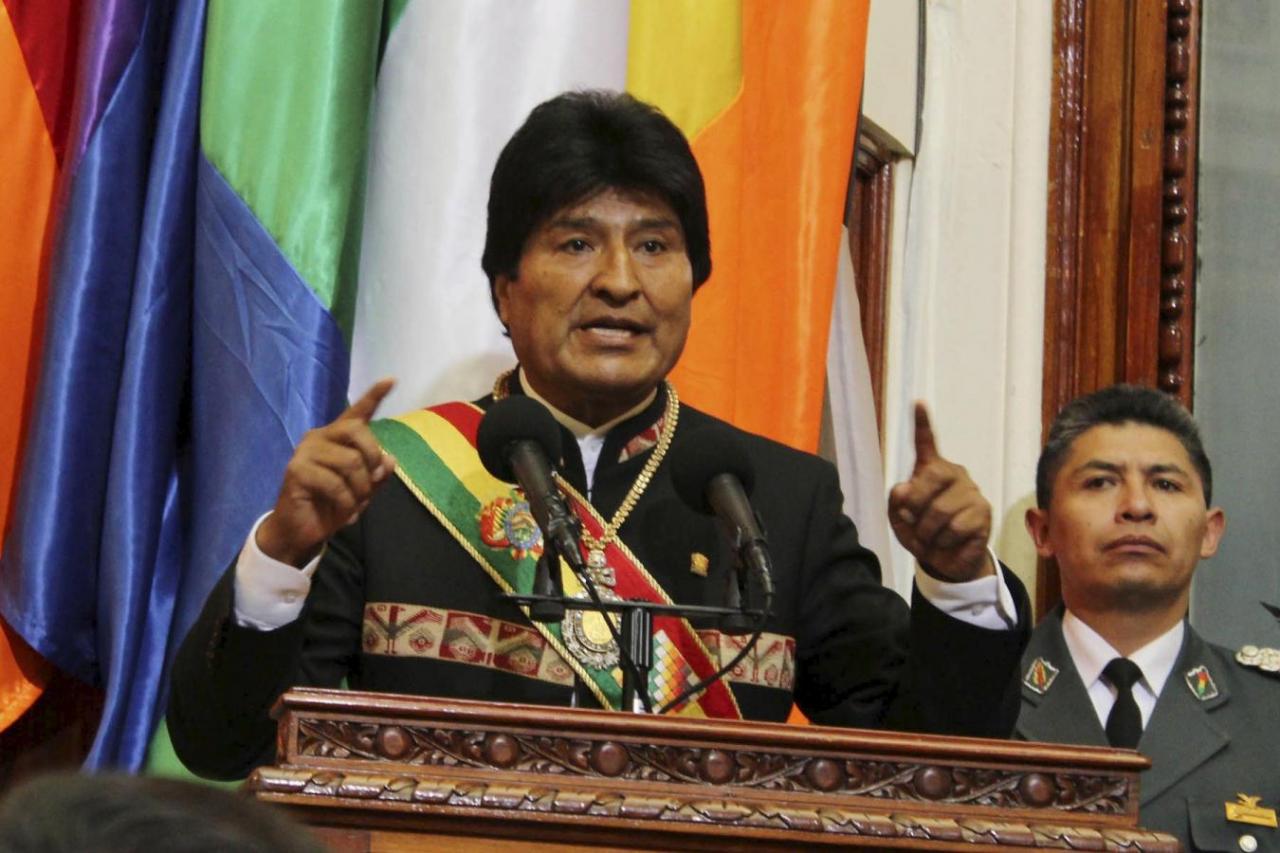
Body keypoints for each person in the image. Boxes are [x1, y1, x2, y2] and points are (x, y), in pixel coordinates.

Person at [168, 90, 1030, 780]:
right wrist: (281, 553)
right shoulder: (388, 484)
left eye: (654, 245)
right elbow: (223, 745)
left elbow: (933, 767)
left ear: (695, 279)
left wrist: (957, 584)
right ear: (506, 288)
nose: (620, 282)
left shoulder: (779, 500)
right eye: (577, 243)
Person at [1014, 384, 1278, 852]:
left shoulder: (1270, 714)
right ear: (1043, 531)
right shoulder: (981, 699)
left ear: (1209, 532)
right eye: (1100, 482)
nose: (1137, 506)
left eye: (1166, 484)